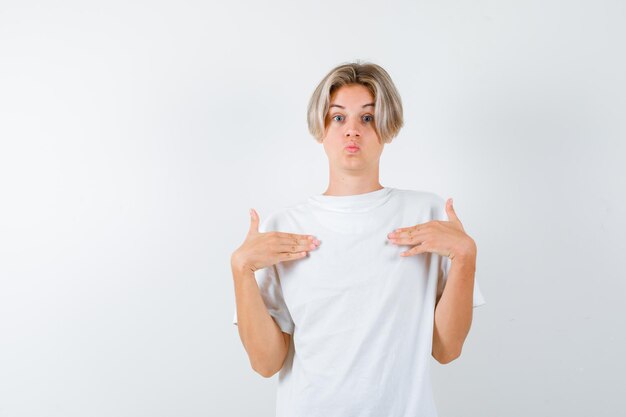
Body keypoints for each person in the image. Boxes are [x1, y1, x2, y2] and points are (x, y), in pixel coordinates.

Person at [231, 61, 486, 417]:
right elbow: (265, 362)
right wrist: (241, 269)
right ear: (321, 128)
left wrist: (466, 257)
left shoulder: (426, 215)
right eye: (338, 118)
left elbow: (446, 349)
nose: (352, 130)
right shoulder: (285, 227)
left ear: (387, 127)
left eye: (367, 118)